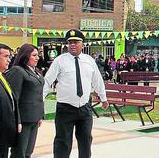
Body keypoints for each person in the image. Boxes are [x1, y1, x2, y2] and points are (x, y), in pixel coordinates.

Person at [43, 29, 109, 158]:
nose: (73, 45)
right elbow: (47, 81)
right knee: (63, 142)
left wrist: (103, 97)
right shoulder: (59, 60)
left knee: (85, 140)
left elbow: (97, 81)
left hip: (84, 108)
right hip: (65, 108)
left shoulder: (89, 60)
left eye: (76, 42)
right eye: (70, 42)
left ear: (82, 45)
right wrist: (40, 100)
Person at [6, 44, 45, 158]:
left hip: (34, 118)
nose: (37, 58)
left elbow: (38, 94)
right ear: (25, 56)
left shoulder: (36, 71)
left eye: (37, 55)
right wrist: (17, 120)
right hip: (23, 119)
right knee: (19, 153)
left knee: (28, 152)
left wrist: (40, 115)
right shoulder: (18, 71)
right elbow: (14, 98)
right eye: (34, 55)